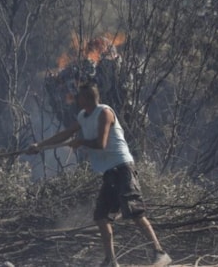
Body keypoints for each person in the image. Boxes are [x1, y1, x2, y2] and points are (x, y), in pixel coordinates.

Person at [28, 83, 171, 267]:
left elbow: (101, 143)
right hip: (110, 172)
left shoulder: (105, 113)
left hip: (123, 168)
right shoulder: (83, 116)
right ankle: (111, 261)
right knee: (101, 216)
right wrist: (39, 146)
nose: (76, 99)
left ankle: (160, 253)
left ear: (87, 98)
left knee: (134, 211)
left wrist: (80, 142)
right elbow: (65, 134)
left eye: (79, 96)